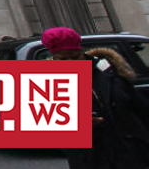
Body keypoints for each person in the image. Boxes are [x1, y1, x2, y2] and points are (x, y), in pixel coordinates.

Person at [43, 27, 149, 168]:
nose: (70, 62)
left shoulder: (110, 72)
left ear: (82, 53)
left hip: (130, 155)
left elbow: (141, 109)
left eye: (75, 57)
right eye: (63, 59)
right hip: (91, 159)